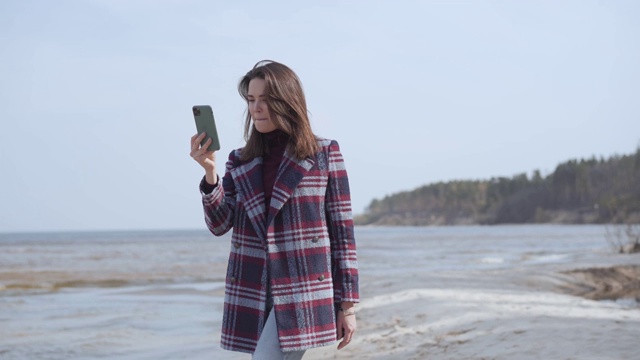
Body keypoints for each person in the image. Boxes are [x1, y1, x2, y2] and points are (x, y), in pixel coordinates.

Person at [190, 60, 359, 359]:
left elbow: (342, 235)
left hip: (302, 287)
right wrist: (210, 174)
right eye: (251, 100)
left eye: (265, 100)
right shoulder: (240, 160)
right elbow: (219, 224)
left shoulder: (323, 153)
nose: (256, 108)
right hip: (254, 285)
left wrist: (347, 306)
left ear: (287, 101)